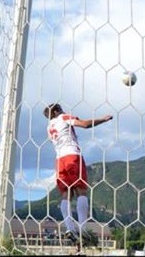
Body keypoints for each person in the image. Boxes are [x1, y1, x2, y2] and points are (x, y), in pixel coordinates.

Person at [43, 103, 112, 246]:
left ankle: (70, 228)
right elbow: (85, 124)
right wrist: (103, 119)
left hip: (59, 160)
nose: (64, 110)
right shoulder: (63, 117)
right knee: (81, 191)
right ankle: (82, 229)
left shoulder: (49, 127)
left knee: (66, 194)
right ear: (56, 111)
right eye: (61, 108)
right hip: (72, 156)